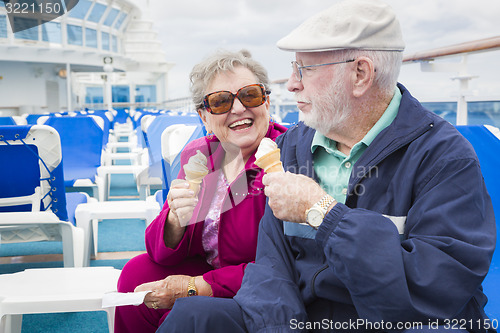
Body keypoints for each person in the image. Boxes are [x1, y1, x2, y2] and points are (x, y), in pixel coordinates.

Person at [158, 1, 497, 332]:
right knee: (193, 317)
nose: (291, 84)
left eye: (303, 69)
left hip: (398, 321)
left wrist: (322, 212)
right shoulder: (294, 145)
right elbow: (272, 266)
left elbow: (435, 287)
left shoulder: (443, 157)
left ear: (360, 74)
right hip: (304, 316)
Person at [114, 49, 287, 332]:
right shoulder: (199, 155)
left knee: (188, 308)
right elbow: (161, 254)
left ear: (266, 101)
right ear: (203, 116)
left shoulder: (285, 155)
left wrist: (196, 286)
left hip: (261, 284)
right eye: (220, 101)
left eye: (250, 95)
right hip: (211, 269)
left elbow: (286, 265)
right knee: (136, 274)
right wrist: (174, 221)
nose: (239, 108)